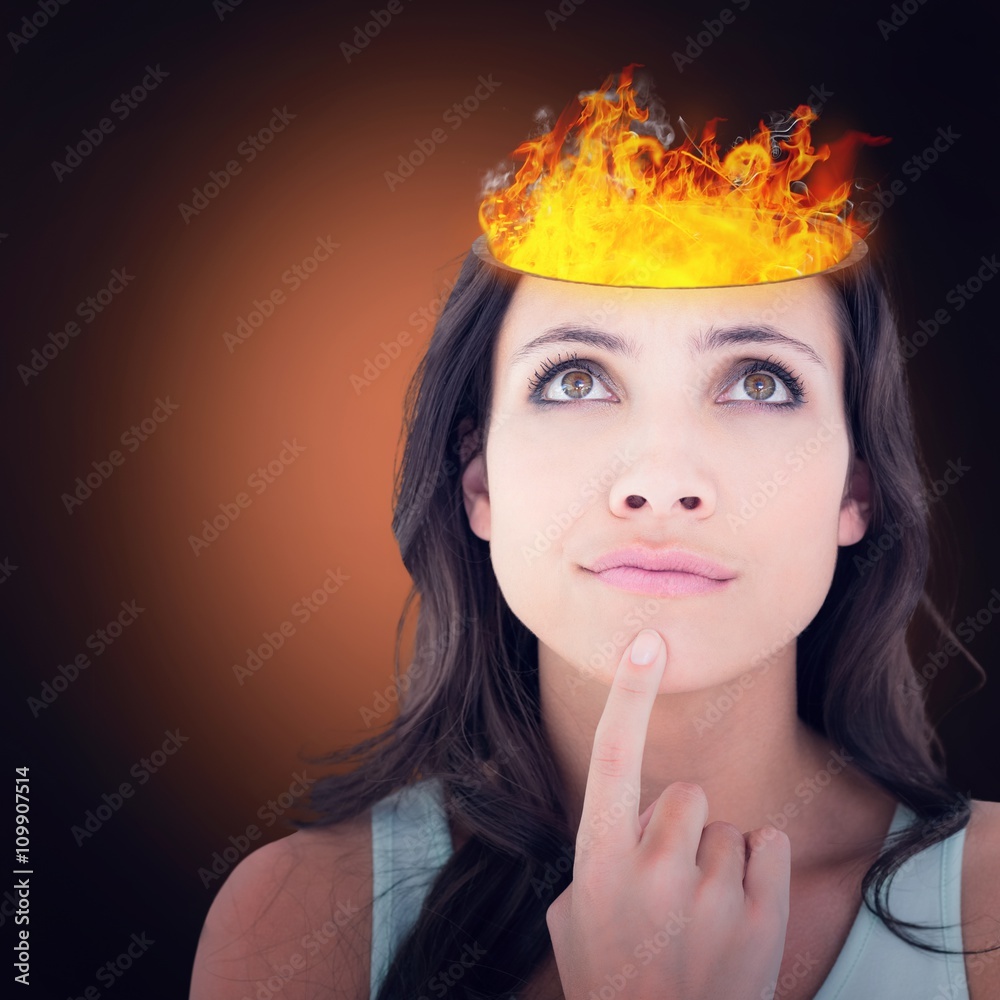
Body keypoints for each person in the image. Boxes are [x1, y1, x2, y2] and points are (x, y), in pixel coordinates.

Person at [189, 69, 1000, 1000]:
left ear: (855, 488)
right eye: (576, 379)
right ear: (480, 479)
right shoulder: (298, 921)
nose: (660, 484)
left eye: (761, 381)